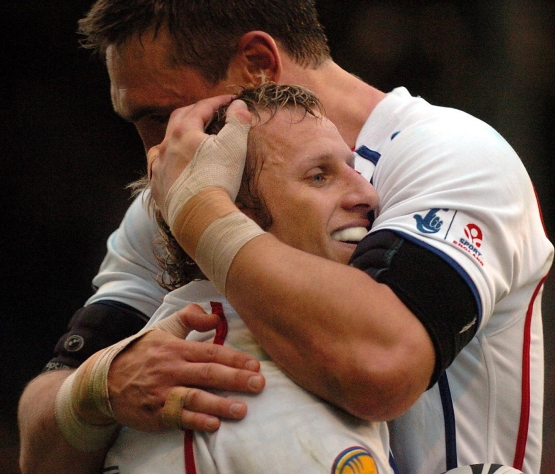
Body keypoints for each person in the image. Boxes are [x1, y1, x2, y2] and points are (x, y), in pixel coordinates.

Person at [18, 0, 552, 474]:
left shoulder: (450, 154)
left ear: (256, 66)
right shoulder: (170, 199)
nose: (156, 153)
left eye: (161, 116)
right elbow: (42, 443)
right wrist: (95, 390)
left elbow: (382, 368)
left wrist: (205, 218)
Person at [104, 83, 394, 473]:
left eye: (354, 170)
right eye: (319, 177)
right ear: (235, 209)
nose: (367, 194)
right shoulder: (249, 385)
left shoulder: (226, 340)